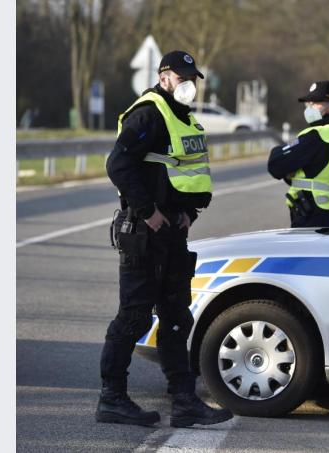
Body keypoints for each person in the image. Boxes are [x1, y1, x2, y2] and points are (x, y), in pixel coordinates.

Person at [98, 50, 232, 428]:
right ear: (164, 76)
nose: (187, 83)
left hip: (172, 231)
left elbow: (188, 175)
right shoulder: (149, 113)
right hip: (144, 231)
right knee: (134, 317)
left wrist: (189, 212)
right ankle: (112, 398)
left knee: (176, 316)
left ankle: (184, 401)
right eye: (181, 76)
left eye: (192, 78)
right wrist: (147, 211)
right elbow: (118, 165)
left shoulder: (183, 117)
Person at [267, 81, 329, 228]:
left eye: (315, 102)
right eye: (308, 103)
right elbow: (315, 174)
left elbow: (275, 164)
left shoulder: (317, 136)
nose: (309, 107)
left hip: (311, 221)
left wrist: (278, 152)